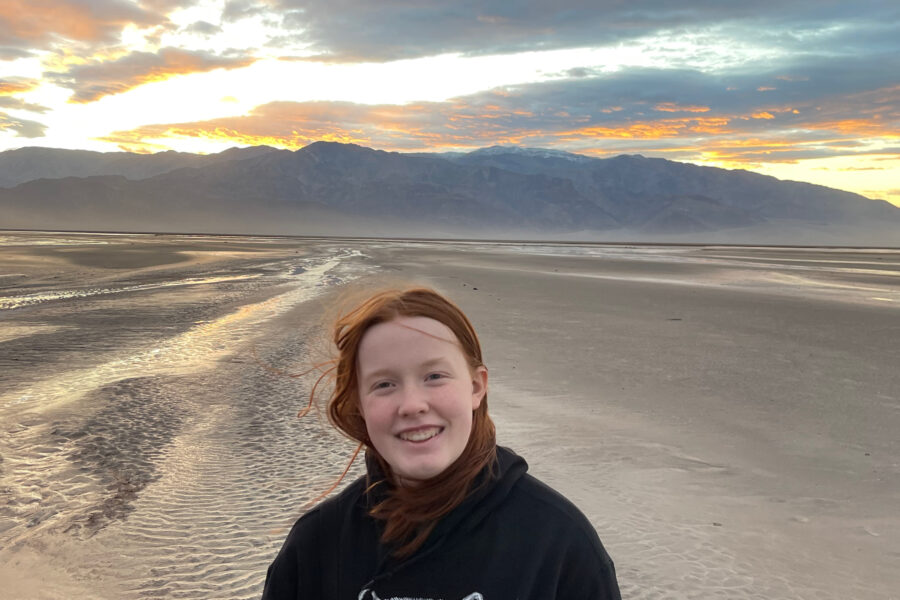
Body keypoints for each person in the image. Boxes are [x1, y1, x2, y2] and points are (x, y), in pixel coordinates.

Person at [261, 287, 620, 599]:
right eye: (384, 384)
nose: (413, 404)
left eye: (434, 376)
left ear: (476, 387)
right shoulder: (317, 546)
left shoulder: (557, 542)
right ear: (359, 403)